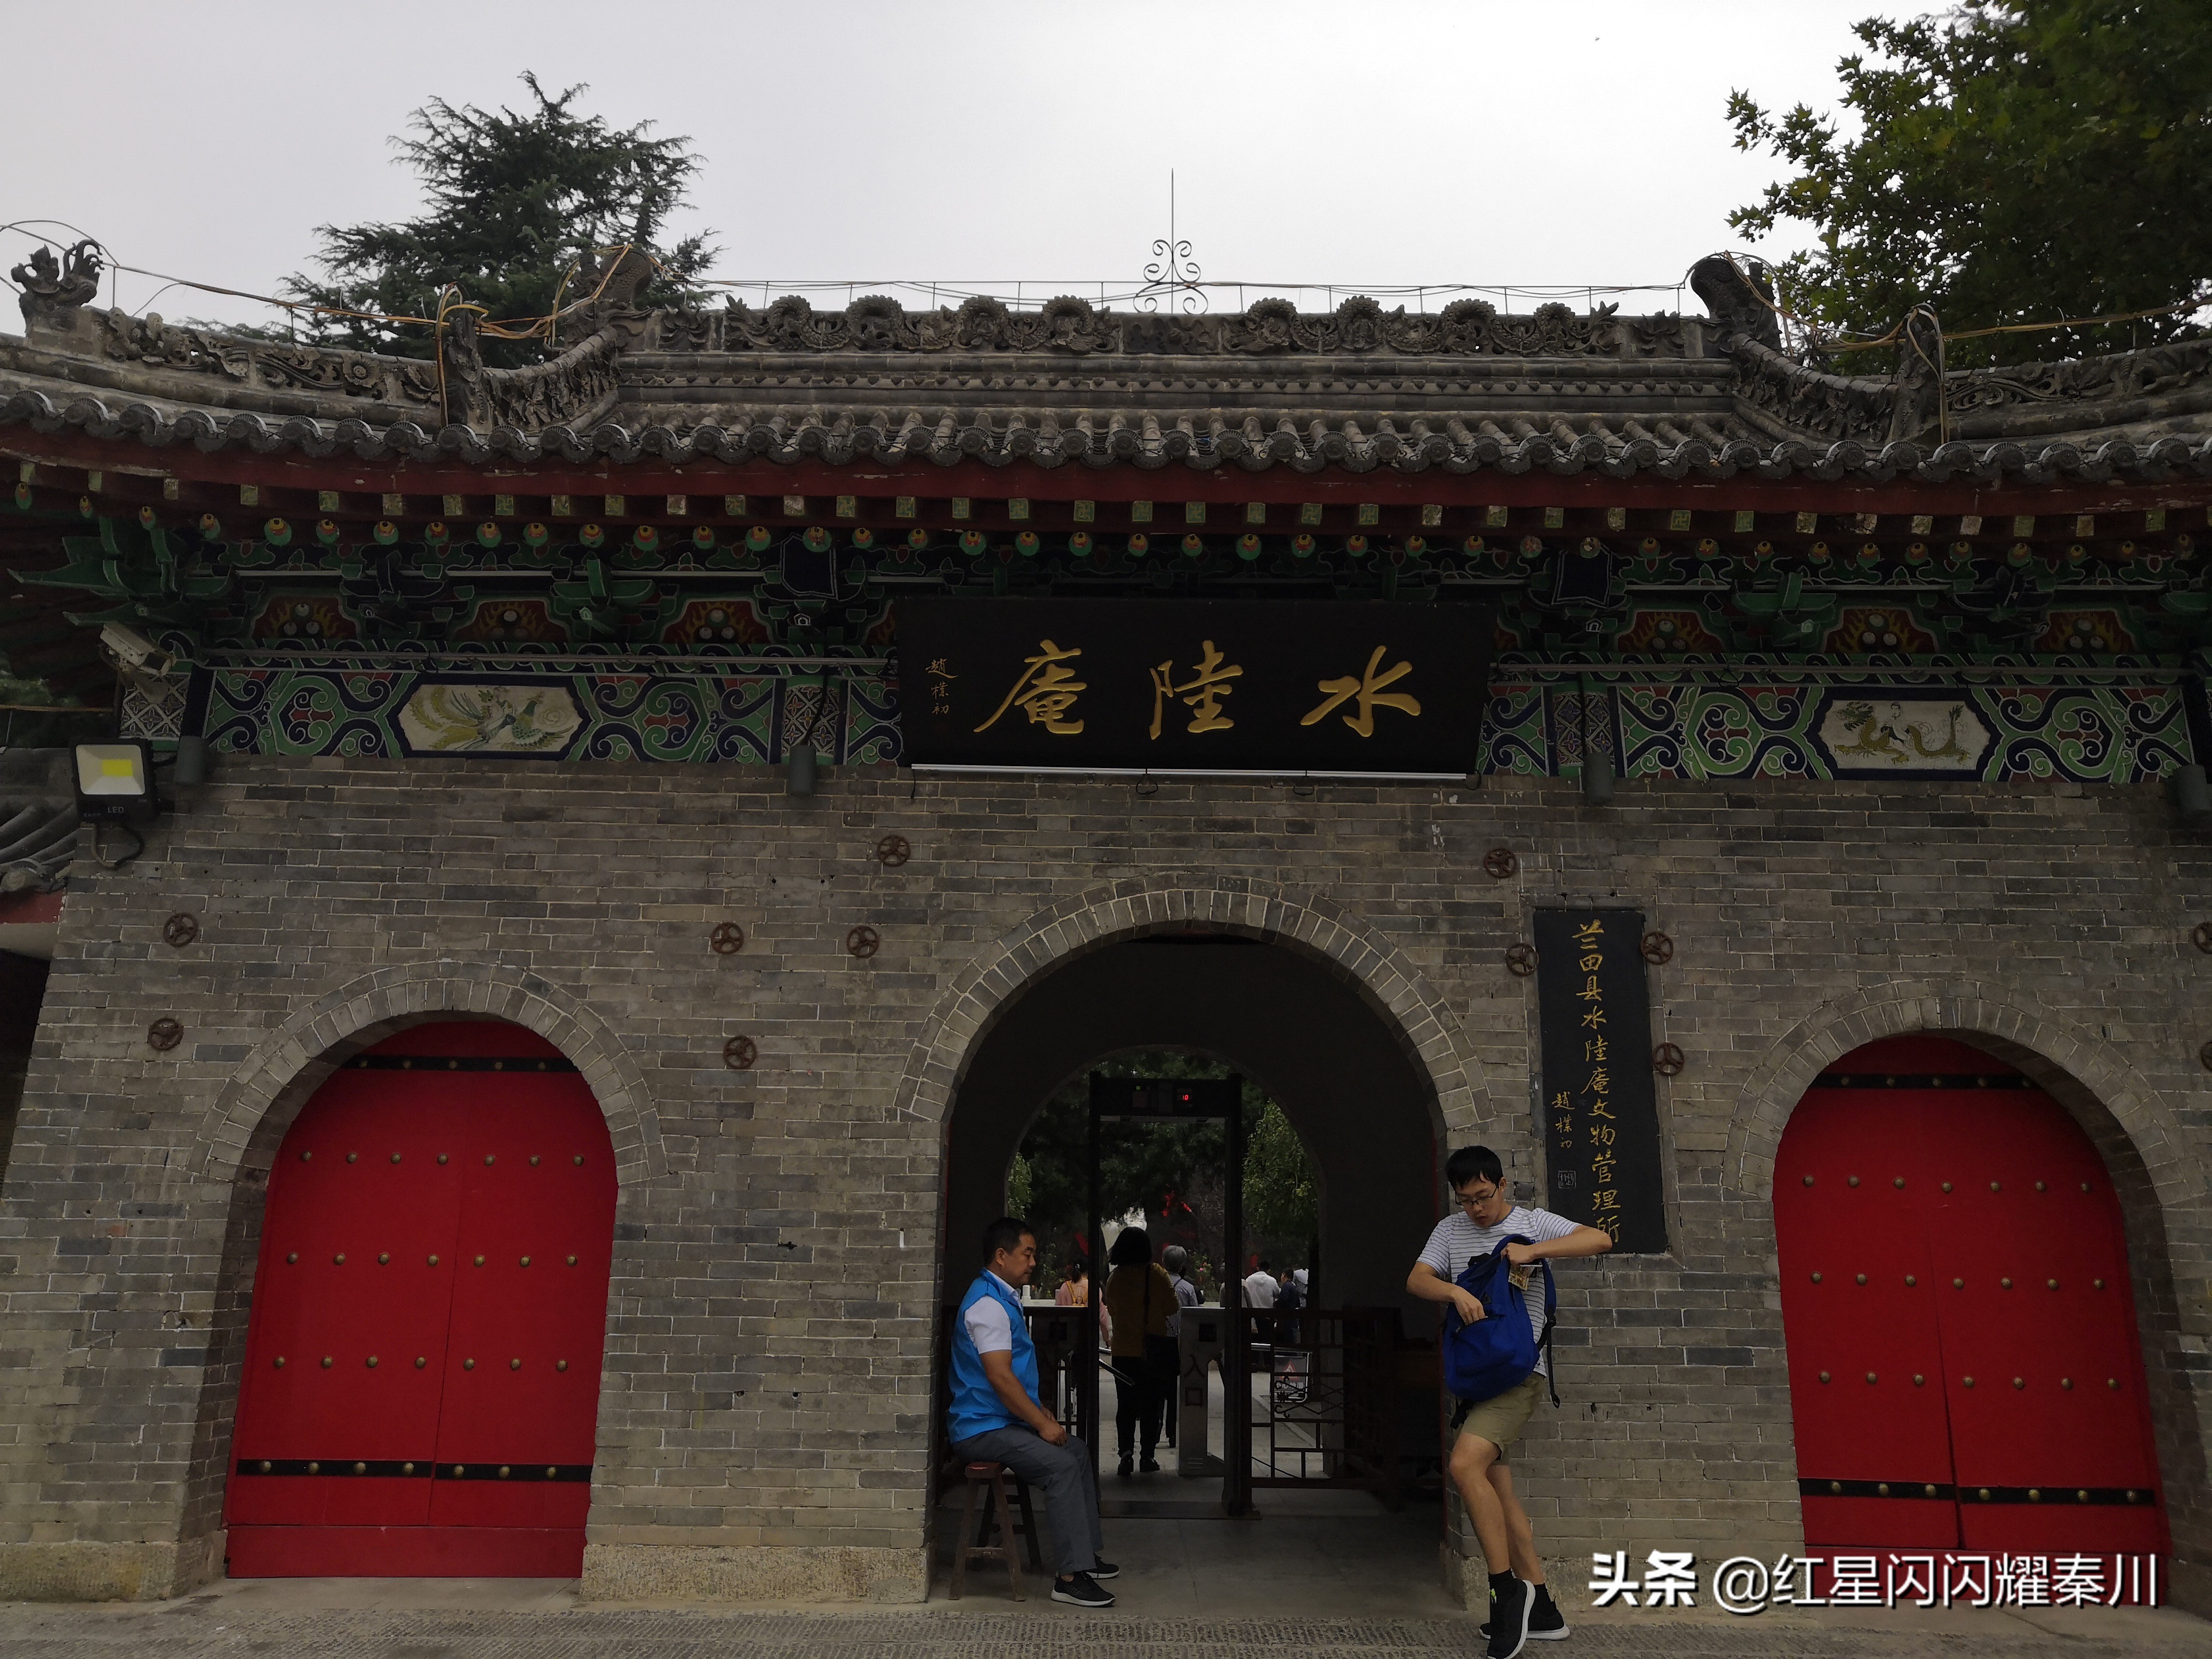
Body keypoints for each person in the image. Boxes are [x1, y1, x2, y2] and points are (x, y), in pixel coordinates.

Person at [1407, 1145, 1612, 1659]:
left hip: (1520, 1375)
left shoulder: (1532, 1221)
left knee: (1463, 1466)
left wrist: (1534, 1251)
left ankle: (1505, 1593)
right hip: (1475, 1378)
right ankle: (1543, 1608)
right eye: (1466, 1200)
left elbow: (1600, 1238)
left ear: (1502, 1184)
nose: (1476, 1208)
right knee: (1498, 1488)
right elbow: (1416, 1280)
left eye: (1483, 1196)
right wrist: (1455, 1293)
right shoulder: (1450, 1231)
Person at [950, 1218, 1120, 1608]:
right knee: (1059, 1466)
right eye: (1027, 1254)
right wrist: (1041, 1422)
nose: (1033, 1263)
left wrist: (1039, 1413)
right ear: (1001, 1256)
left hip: (999, 1422)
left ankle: (1086, 1556)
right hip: (979, 1428)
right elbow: (1000, 1377)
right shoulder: (988, 1305)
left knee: (1075, 1452)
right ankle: (1069, 1577)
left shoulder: (1002, 1298)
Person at [1102, 1226, 1178, 1478]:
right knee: (1152, 1405)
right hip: (1153, 1351)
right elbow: (1172, 1306)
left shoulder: (1116, 1279)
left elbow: (1110, 1306)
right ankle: (1148, 1455)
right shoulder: (1157, 1274)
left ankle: (1125, 1455)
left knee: (1125, 1404)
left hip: (1123, 1352)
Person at [1160, 1245, 1201, 1452]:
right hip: (1178, 1343)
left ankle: (1154, 1430)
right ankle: (1173, 1433)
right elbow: (1194, 1315)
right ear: (1182, 1264)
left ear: (1164, 1262)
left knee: (1157, 1388)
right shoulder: (1187, 1288)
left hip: (1158, 1341)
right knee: (1175, 1390)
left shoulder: (1156, 1285)